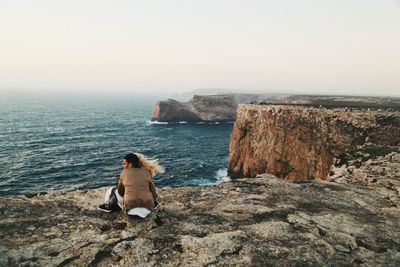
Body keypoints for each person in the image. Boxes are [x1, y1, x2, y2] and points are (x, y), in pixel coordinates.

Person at [99, 152, 165, 217]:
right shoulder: (146, 173)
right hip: (148, 209)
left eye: (124, 164)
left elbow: (120, 192)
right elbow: (153, 192)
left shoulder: (123, 174)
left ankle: (108, 206)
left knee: (113, 189)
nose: (122, 166)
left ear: (130, 165)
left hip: (130, 209)